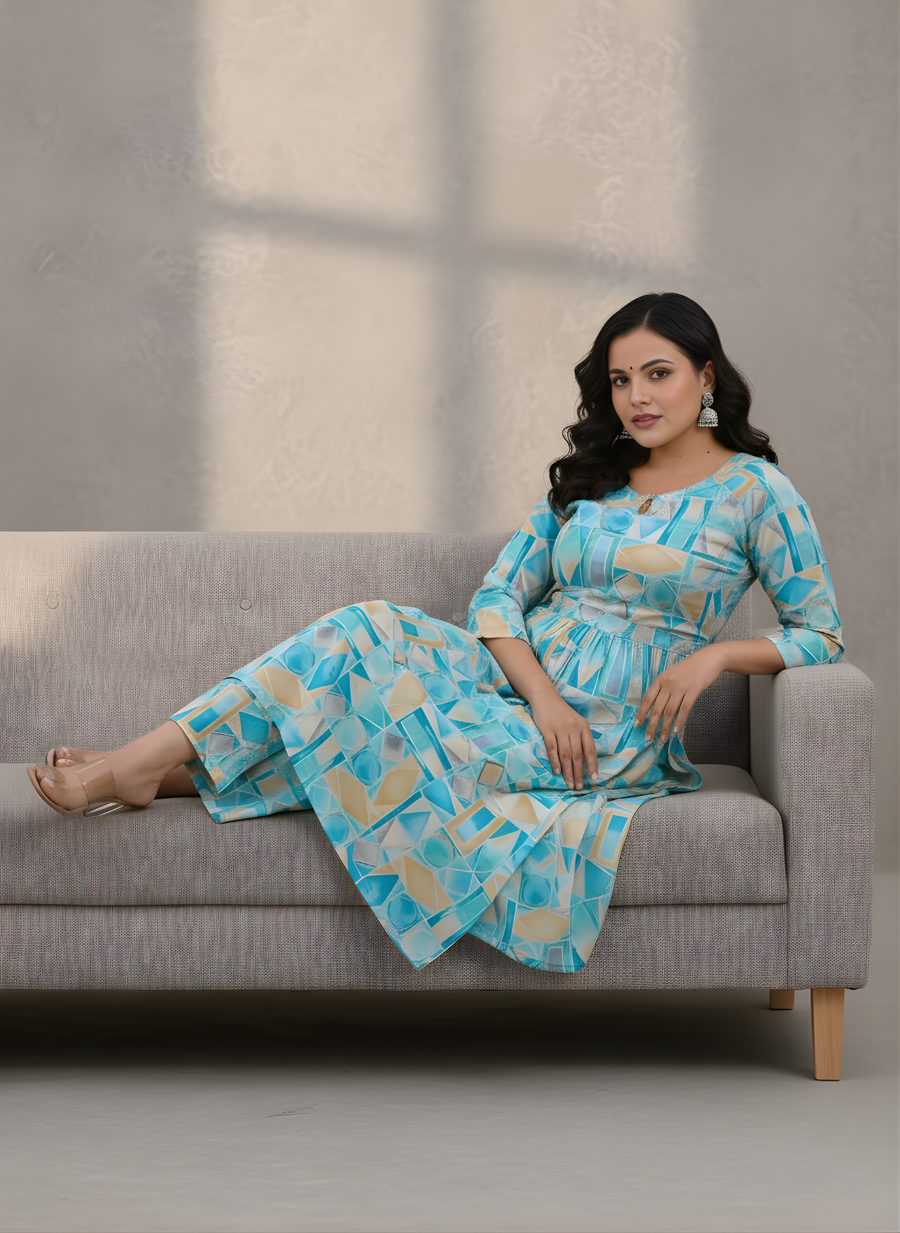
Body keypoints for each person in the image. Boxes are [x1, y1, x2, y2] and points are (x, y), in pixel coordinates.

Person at [28, 292, 843, 974]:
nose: (638, 396)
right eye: (621, 379)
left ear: (706, 376)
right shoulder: (594, 481)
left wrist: (717, 655)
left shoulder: (757, 493)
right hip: (520, 686)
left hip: (608, 730)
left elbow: (820, 632)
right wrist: (543, 698)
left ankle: (150, 772)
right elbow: (498, 599)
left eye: (658, 373)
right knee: (357, 631)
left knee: (388, 734)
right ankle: (144, 763)